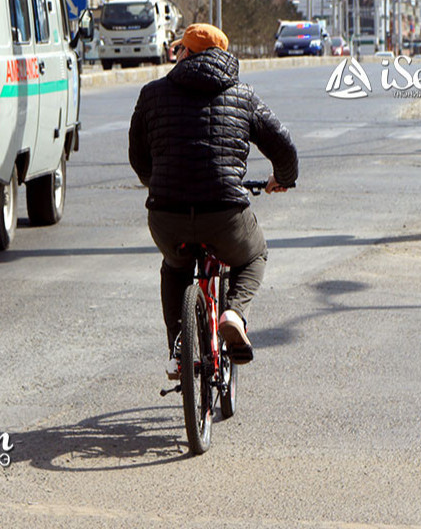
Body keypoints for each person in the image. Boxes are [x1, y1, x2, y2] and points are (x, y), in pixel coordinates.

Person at [128, 23, 298, 379]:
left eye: (179, 50)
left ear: (186, 54)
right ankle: (233, 313)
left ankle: (179, 350)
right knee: (253, 254)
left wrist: (156, 183)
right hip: (224, 214)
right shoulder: (243, 95)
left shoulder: (152, 93)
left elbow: (138, 157)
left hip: (166, 214)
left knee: (175, 267)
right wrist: (282, 179)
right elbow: (283, 146)